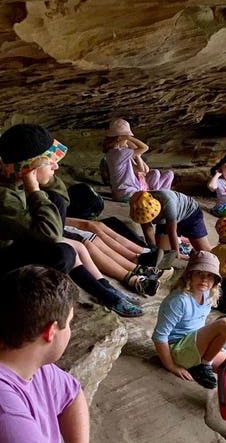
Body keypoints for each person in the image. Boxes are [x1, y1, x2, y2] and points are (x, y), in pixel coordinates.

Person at [0, 265, 205, 443]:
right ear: (50, 332)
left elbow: (72, 396)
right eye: (69, 323)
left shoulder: (33, 366)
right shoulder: (4, 405)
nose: (70, 330)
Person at [0, 123, 143, 318]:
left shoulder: (16, 181)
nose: (56, 166)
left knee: (57, 203)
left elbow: (62, 201)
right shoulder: (4, 197)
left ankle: (106, 292)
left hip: (24, 237)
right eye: (49, 162)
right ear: (30, 168)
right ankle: (33, 301)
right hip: (4, 261)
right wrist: (34, 190)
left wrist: (44, 180)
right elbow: (49, 235)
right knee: (63, 253)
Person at [152, 251, 226, 389]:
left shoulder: (208, 294)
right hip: (178, 349)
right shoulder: (179, 301)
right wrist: (171, 366)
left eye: (209, 276)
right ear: (189, 275)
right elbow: (159, 337)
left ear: (215, 281)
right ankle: (204, 365)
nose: (204, 279)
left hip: (195, 346)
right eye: (199, 274)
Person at [102, 118, 174, 202]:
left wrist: (126, 139)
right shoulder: (119, 153)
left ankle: (161, 197)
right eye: (126, 139)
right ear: (119, 138)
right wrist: (129, 137)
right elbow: (145, 147)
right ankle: (159, 198)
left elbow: (141, 169)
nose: (127, 143)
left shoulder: (112, 153)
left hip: (122, 193)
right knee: (158, 185)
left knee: (162, 175)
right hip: (127, 193)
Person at [129, 189, 212, 260]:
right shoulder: (139, 207)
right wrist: (154, 251)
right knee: (163, 254)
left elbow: (172, 231)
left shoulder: (167, 201)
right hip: (164, 221)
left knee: (205, 253)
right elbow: (148, 230)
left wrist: (176, 254)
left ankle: (182, 248)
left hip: (189, 214)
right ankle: (181, 247)